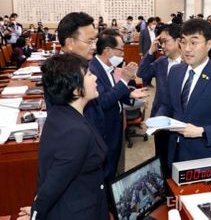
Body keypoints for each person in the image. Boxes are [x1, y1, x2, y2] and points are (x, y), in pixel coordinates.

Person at [30, 53, 108, 220]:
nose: (95, 78)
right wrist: (35, 213)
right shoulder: (75, 132)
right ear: (75, 88)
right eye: (89, 74)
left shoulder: (60, 113)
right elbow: (52, 184)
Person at [157, 19, 211, 171]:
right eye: (183, 42)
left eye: (194, 43)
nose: (187, 49)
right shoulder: (175, 72)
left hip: (202, 156)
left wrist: (201, 131)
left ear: (208, 44)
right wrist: (159, 119)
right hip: (172, 150)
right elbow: (167, 105)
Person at [85, 29, 147, 182]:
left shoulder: (107, 68)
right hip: (105, 130)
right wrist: (124, 80)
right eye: (120, 50)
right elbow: (103, 102)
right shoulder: (93, 70)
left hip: (116, 125)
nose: (123, 54)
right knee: (106, 172)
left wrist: (129, 94)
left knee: (114, 168)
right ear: (107, 50)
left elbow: (112, 91)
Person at [137, 24, 182, 178]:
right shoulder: (161, 62)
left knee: (177, 162)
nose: (162, 46)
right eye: (160, 42)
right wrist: (150, 51)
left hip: (179, 121)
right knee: (161, 159)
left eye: (165, 41)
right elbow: (142, 72)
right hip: (160, 120)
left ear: (178, 41)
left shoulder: (188, 64)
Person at [44, 12, 97, 111]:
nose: (94, 47)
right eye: (89, 41)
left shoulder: (80, 66)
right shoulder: (61, 75)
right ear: (70, 43)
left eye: (94, 41)